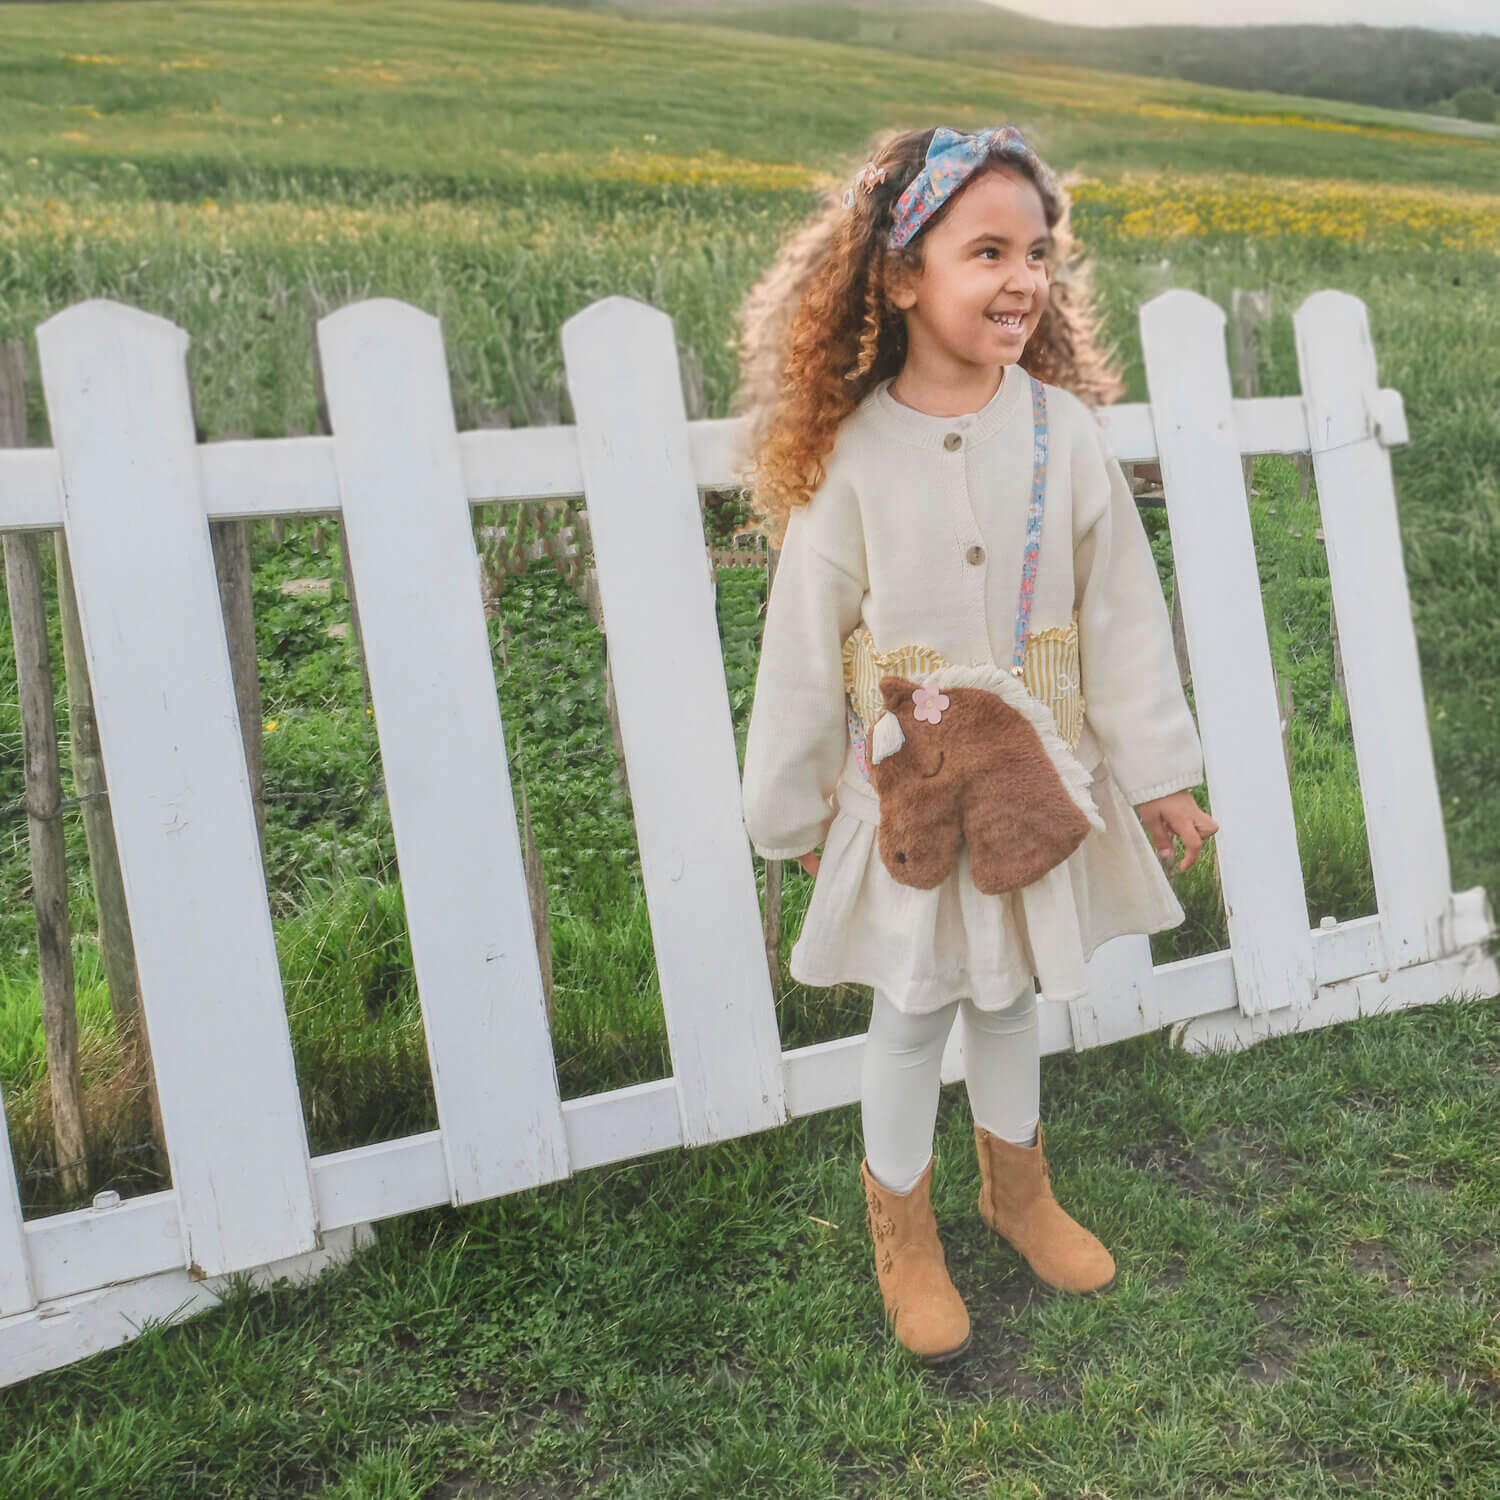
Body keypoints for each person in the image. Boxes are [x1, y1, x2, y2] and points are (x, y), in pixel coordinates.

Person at [734, 125, 1220, 1364]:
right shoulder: (846, 460)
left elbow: (1121, 615)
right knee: (912, 1010)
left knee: (1009, 1004)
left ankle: (1019, 1195)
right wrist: (792, 818)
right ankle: (905, 1233)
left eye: (1039, 254)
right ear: (900, 277)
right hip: (907, 800)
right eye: (987, 250)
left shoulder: (1068, 432)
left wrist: (1157, 774)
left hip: (1038, 787)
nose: (1023, 278)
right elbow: (801, 647)